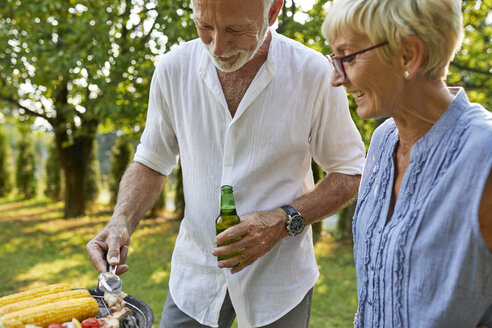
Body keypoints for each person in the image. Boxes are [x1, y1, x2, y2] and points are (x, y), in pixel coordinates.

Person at [86, 0, 366, 327]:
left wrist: (282, 220)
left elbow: (351, 171)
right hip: (194, 279)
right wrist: (121, 220)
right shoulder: (172, 69)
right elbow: (151, 162)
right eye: (205, 26)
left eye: (235, 29)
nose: (218, 46)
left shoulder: (314, 72)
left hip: (279, 284)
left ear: (272, 12)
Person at [321, 0, 492, 326]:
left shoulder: (484, 158)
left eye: (348, 57)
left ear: (408, 56)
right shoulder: (384, 139)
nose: (335, 78)